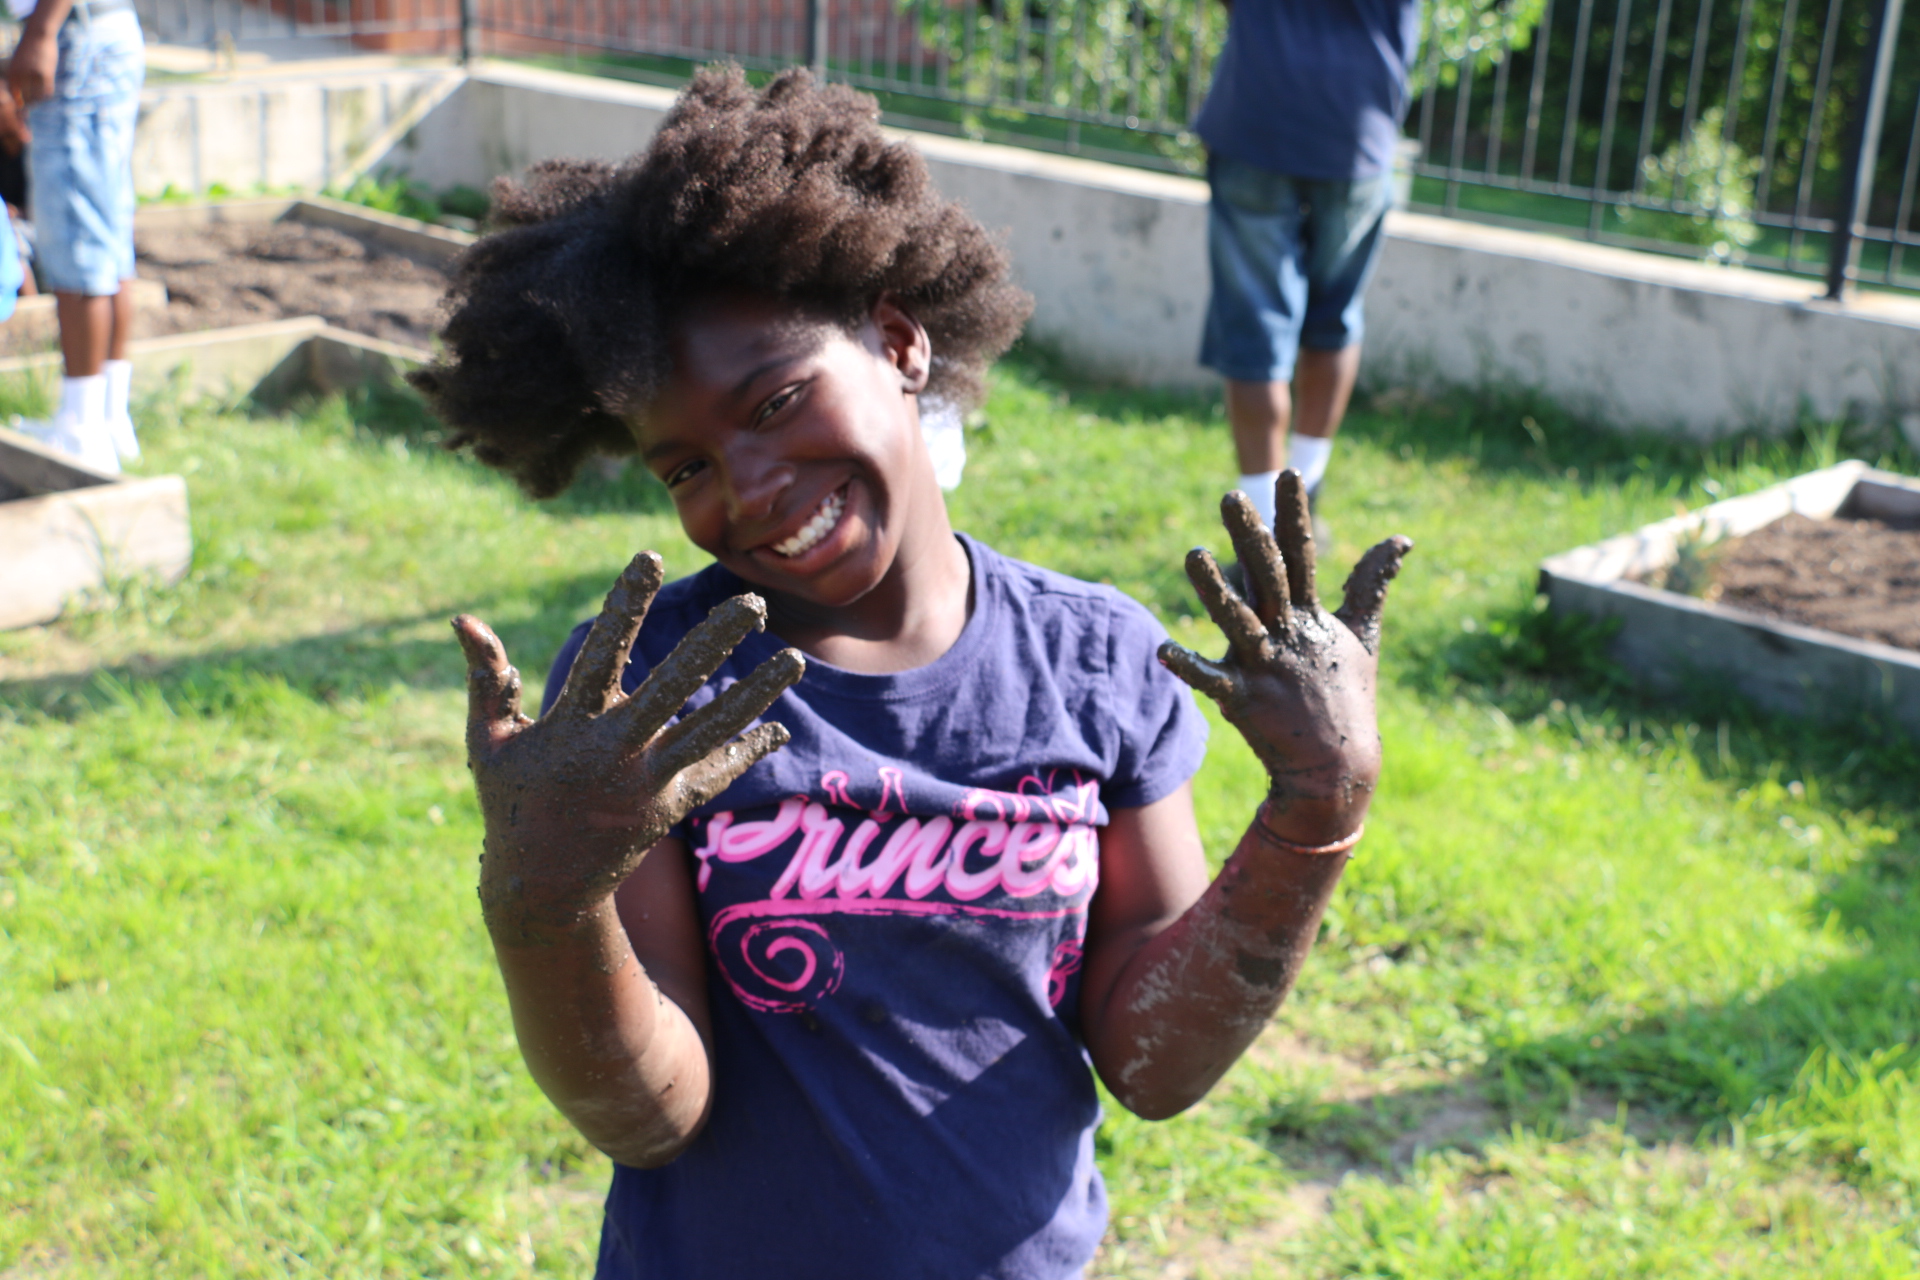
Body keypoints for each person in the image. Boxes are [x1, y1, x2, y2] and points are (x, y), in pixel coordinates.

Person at [415, 68, 1411, 1279]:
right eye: (685, 467)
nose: (749, 489)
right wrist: (545, 910)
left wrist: (1315, 813)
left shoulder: (1095, 661)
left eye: (777, 401)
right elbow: (651, 1115)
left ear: (898, 342)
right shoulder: (656, 689)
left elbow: (1151, 1064)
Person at [1192, 0, 1424, 536]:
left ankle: (1262, 538)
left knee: (1254, 328)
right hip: (1356, 127)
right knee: (1334, 317)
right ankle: (1303, 506)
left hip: (1257, 114)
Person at [7, 0, 143, 472]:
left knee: (78, 240)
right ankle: (106, 417)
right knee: (105, 239)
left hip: (74, 40)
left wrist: (41, 32)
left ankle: (81, 432)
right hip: (91, 34)